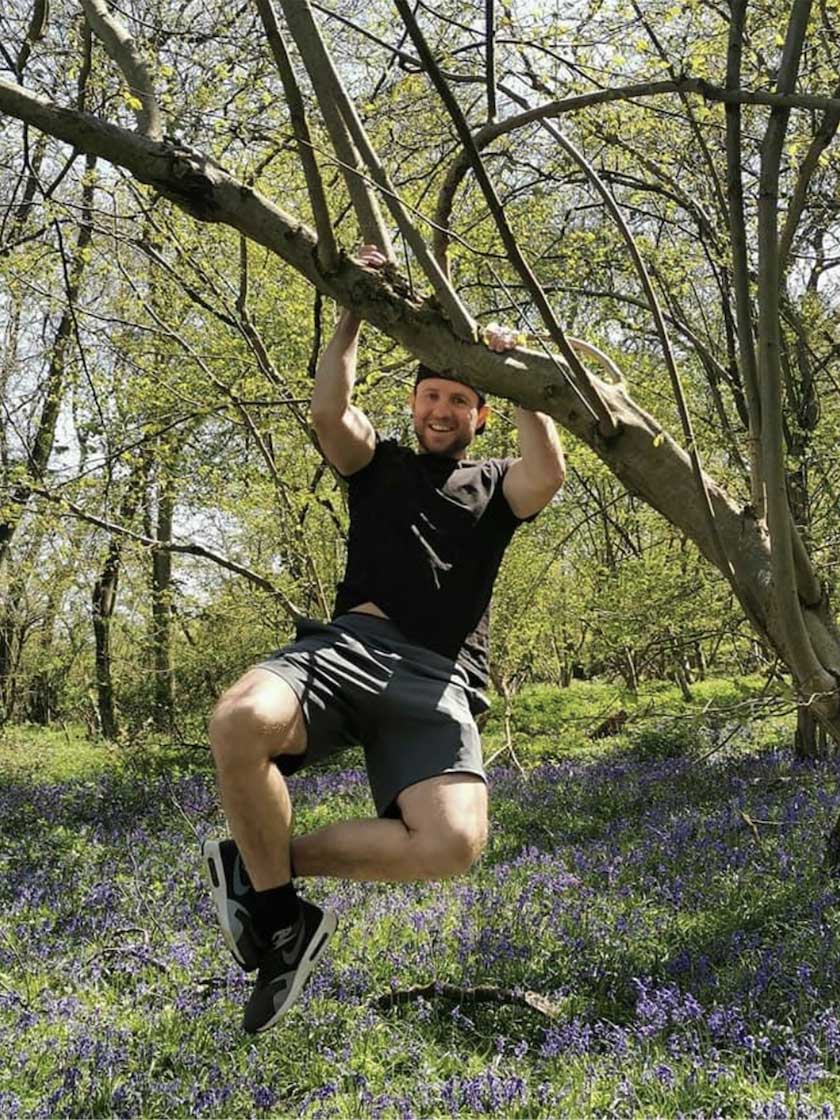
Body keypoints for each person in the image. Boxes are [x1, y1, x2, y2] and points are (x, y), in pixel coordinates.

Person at [202, 244, 566, 1034]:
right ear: (412, 402)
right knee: (238, 721)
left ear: (479, 414)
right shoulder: (376, 465)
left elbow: (551, 475)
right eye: (430, 394)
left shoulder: (498, 484)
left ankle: (262, 869)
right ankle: (282, 918)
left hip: (437, 679)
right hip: (343, 652)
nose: (440, 409)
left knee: (453, 843)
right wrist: (353, 310)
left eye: (459, 400)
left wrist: (520, 378)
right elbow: (329, 411)